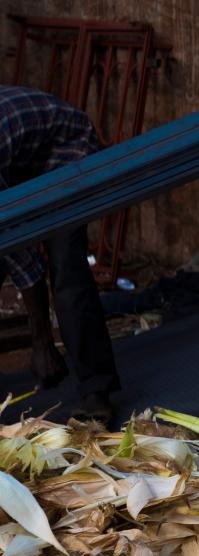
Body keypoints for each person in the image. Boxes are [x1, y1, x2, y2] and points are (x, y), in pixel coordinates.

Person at [0, 85, 120, 422]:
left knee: (66, 265)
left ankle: (96, 391)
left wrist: (41, 342)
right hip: (21, 156)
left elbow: (22, 256)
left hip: (67, 149)